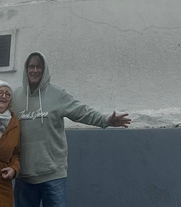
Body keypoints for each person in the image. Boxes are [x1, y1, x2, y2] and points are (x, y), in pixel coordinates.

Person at [12, 51, 131, 207]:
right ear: (26, 69)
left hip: (53, 176)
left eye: (39, 67)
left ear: (45, 69)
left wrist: (106, 120)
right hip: (24, 178)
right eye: (31, 66)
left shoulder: (58, 95)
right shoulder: (15, 98)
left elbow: (82, 112)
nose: (35, 70)